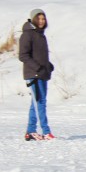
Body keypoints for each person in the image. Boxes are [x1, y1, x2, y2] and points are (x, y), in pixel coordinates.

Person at [19, 9, 55, 140]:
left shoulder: (40, 35)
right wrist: (38, 68)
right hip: (34, 74)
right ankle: (46, 132)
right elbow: (23, 55)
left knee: (36, 103)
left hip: (42, 74)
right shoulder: (28, 34)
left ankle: (30, 131)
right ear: (33, 19)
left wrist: (48, 65)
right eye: (39, 19)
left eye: (43, 19)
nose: (41, 21)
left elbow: (39, 55)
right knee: (40, 102)